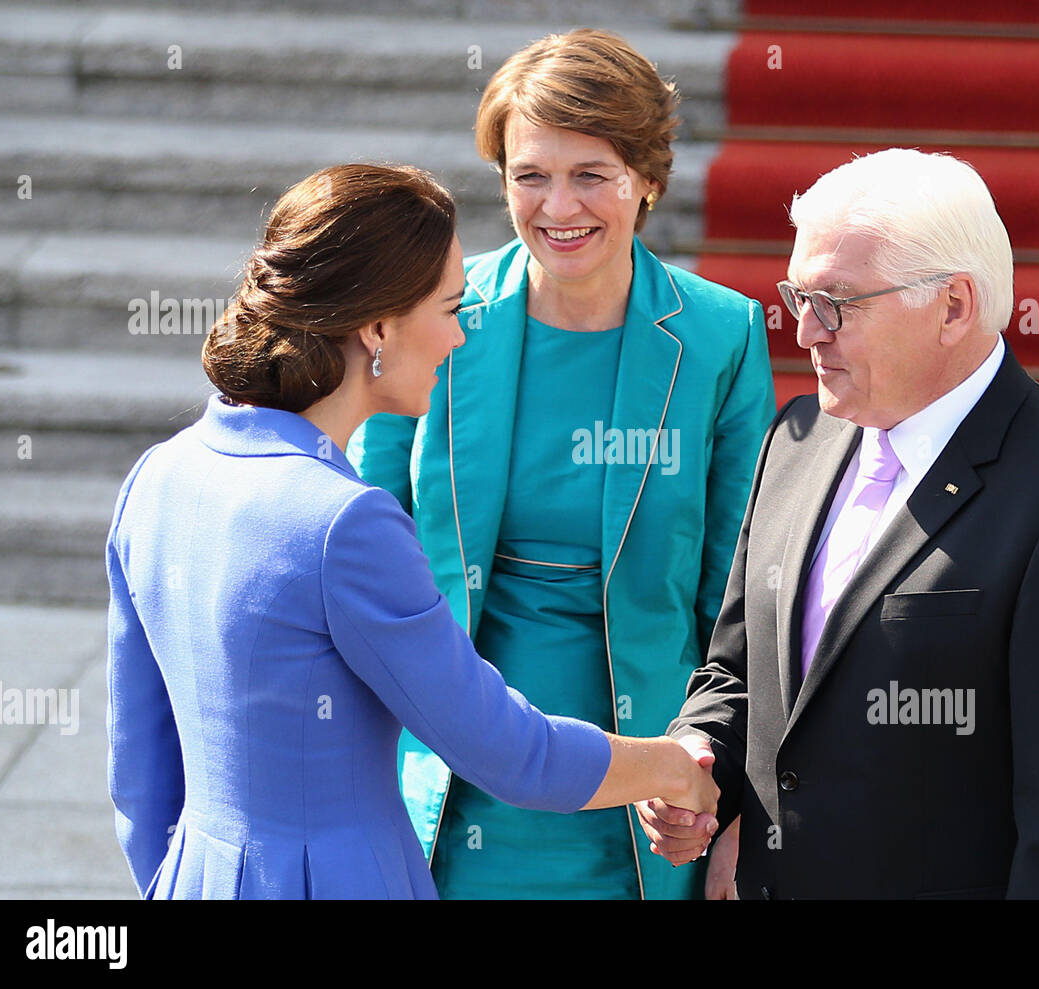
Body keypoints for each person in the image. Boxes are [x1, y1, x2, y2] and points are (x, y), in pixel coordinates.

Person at [104, 163, 718, 900]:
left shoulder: (158, 475)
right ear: (377, 328)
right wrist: (676, 766)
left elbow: (138, 779)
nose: (460, 336)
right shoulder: (346, 523)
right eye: (451, 307)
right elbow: (507, 749)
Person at [638, 148, 1039, 899]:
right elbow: (740, 672)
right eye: (797, 298)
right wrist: (696, 757)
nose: (805, 333)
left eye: (837, 303)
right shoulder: (796, 439)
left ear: (953, 306)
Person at [347, 29, 775, 900]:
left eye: (592, 174)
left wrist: (736, 807)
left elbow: (741, 603)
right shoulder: (434, 317)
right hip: (448, 777)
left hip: (650, 793)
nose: (557, 206)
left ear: (647, 180)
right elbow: (362, 540)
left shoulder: (721, 334)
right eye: (529, 175)